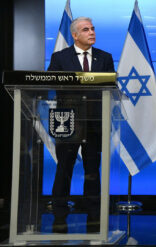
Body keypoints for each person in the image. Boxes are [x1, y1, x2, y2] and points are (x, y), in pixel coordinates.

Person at [47, 16, 115, 233]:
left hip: (95, 121)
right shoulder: (60, 57)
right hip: (67, 120)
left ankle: (94, 216)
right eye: (86, 29)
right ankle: (59, 214)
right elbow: (51, 83)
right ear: (75, 35)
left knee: (92, 170)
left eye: (93, 29)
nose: (92, 32)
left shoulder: (105, 58)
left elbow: (112, 88)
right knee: (64, 168)